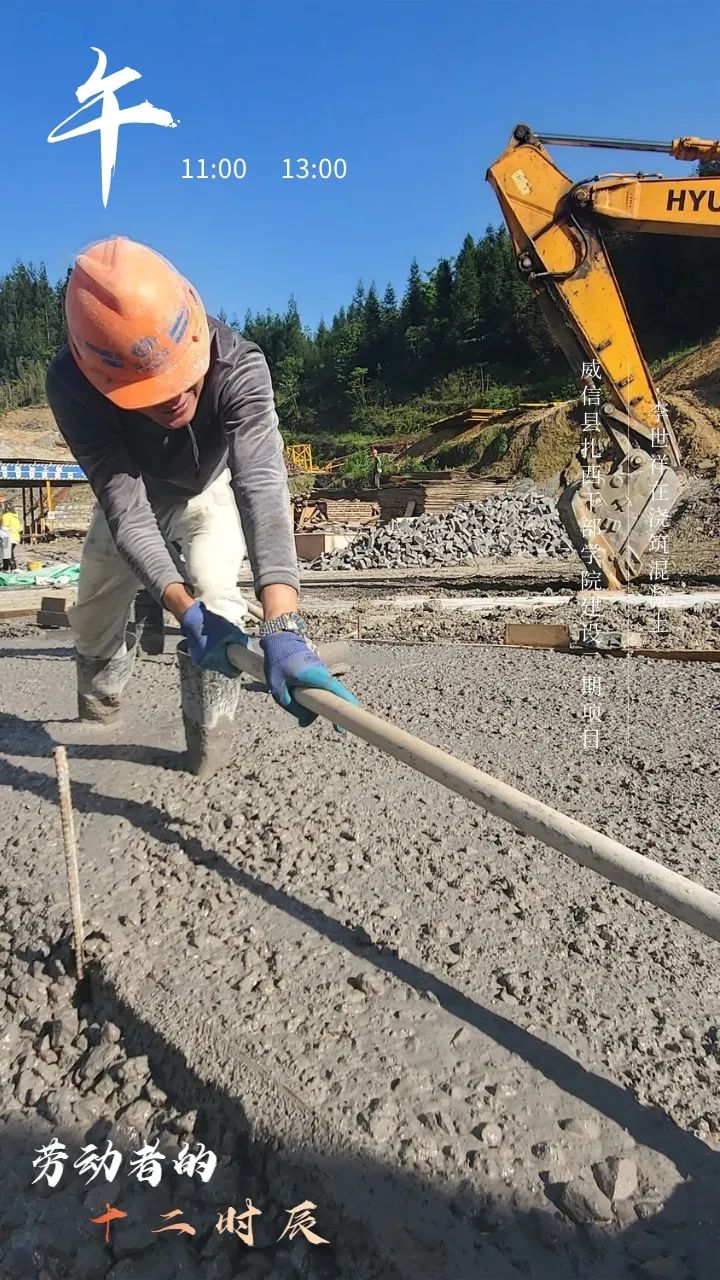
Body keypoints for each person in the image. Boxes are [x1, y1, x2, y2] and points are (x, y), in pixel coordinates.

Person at [45, 236, 357, 732]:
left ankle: (209, 732)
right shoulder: (72, 385)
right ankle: (99, 712)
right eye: (152, 391)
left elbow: (261, 485)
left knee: (221, 604)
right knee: (95, 614)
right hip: (136, 492)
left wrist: (282, 624)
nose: (174, 397)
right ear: (102, 382)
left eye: (182, 376)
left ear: (193, 332)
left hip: (206, 489)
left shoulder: (238, 363)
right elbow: (127, 510)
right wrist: (183, 612)